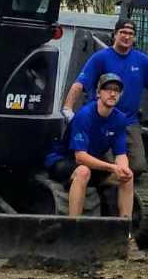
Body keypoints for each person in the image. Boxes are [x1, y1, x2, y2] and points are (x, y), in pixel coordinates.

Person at [62, 18, 148, 176]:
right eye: (123, 32)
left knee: (138, 167)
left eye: (131, 34)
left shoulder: (142, 61)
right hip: (103, 121)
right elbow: (79, 84)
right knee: (108, 166)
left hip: (129, 122)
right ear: (115, 34)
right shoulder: (100, 58)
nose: (127, 37)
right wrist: (68, 108)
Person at [45, 72, 140, 253]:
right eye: (108, 89)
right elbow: (80, 157)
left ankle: (126, 234)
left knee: (127, 176)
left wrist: (123, 168)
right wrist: (112, 167)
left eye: (117, 90)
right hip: (63, 161)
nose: (112, 94)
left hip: (93, 164)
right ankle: (72, 231)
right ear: (98, 93)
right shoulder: (84, 116)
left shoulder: (119, 119)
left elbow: (120, 154)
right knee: (83, 172)